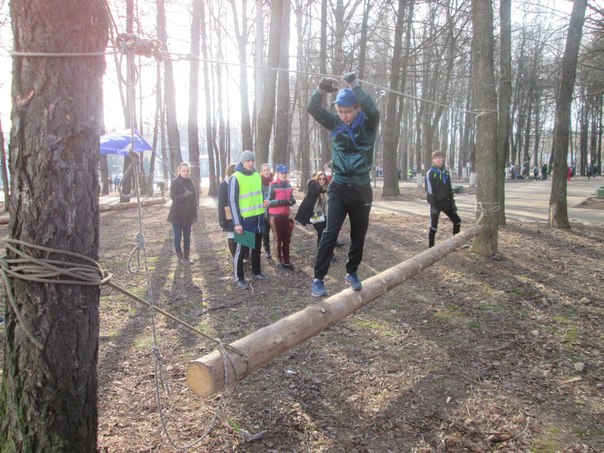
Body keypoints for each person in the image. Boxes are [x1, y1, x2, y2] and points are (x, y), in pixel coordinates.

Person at [307, 72, 379, 297]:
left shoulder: (369, 123)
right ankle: (318, 278)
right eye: (340, 111)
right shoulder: (335, 122)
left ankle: (352, 272)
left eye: (347, 111)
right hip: (338, 186)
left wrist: (354, 84)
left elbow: (373, 109)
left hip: (361, 188)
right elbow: (313, 108)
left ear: (357, 108)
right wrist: (320, 89)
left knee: (358, 234)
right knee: (329, 232)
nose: (343, 115)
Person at [228, 150, 269, 289]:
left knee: (257, 249)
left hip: (258, 219)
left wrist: (264, 201)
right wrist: (237, 223)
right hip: (245, 222)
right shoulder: (235, 177)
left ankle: (257, 272)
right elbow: (232, 201)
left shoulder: (257, 175)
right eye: (248, 161)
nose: (250, 163)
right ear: (242, 162)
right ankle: (239, 278)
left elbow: (260, 193)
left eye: (252, 161)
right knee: (241, 251)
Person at [426, 150, 461, 248]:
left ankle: (455, 243)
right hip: (435, 204)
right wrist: (433, 205)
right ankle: (431, 249)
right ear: (433, 160)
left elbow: (450, 189)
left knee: (457, 221)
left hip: (446, 203)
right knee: (433, 227)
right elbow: (429, 190)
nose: (438, 160)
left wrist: (452, 204)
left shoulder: (446, 173)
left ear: (443, 158)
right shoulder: (430, 172)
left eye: (439, 157)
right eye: (435, 158)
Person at [265, 164, 296, 270]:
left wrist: (292, 201)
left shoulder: (288, 185)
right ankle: (279, 262)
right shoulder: (272, 185)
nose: (284, 175)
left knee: (287, 239)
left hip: (286, 215)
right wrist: (280, 202)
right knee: (278, 239)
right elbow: (267, 202)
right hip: (275, 216)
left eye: (286, 173)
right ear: (277, 174)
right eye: (282, 173)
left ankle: (286, 261)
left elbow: (291, 197)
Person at [167, 162, 198, 264]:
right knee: (178, 236)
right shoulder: (175, 182)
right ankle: (180, 257)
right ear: (179, 171)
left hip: (188, 215)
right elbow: (173, 197)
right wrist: (184, 195)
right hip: (177, 215)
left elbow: (194, 200)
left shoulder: (190, 182)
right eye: (183, 170)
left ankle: (187, 257)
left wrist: (194, 214)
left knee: (187, 236)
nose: (185, 172)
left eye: (187, 171)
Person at [295, 171, 329, 247]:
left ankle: (322, 249)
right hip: (314, 214)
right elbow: (314, 190)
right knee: (322, 231)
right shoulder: (313, 187)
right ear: (317, 179)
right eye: (320, 179)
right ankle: (322, 250)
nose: (322, 180)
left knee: (324, 231)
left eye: (323, 179)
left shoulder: (325, 188)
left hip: (322, 213)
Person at [218, 163, 237, 257]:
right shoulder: (224, 184)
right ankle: (234, 256)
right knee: (232, 235)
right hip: (229, 215)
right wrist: (222, 220)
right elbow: (221, 203)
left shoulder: (240, 182)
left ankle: (245, 256)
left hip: (241, 213)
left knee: (243, 235)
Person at [260, 163, 274, 259]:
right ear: (261, 172)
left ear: (270, 170)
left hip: (274, 211)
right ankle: (267, 250)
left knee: (276, 233)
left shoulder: (275, 180)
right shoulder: (258, 181)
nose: (266, 172)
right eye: (264, 170)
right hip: (263, 212)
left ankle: (278, 250)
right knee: (265, 233)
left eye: (267, 169)